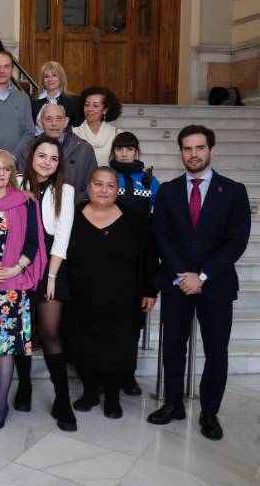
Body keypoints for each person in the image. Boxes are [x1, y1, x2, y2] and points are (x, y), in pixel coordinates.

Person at [147, 125, 251, 440]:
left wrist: (202, 275)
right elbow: (160, 236)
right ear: (181, 152)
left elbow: (236, 241)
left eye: (200, 148)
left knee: (216, 351)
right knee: (173, 347)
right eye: (188, 148)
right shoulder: (168, 191)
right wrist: (182, 274)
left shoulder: (233, 191)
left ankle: (209, 412)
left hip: (216, 284)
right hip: (176, 283)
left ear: (211, 150)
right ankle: (173, 404)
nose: (194, 154)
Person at [66, 167, 157, 419]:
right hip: (80, 297)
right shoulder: (72, 215)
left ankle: (113, 397)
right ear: (88, 186)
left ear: (118, 190)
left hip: (123, 299)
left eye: (110, 185)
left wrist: (150, 291)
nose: (104, 190)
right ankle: (90, 392)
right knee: (83, 345)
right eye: (98, 184)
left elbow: (149, 256)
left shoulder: (135, 218)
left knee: (119, 347)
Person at [0, 149, 46, 431]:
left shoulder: (26, 201)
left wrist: (17, 268)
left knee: (3, 346)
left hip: (12, 283)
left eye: (6, 168)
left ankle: (1, 404)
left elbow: (33, 242)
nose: (1, 172)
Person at [14, 135, 78, 431]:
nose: (47, 162)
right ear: (31, 156)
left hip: (51, 263)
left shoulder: (65, 189)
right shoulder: (15, 182)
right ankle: (24, 386)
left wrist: (51, 276)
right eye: (42, 156)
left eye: (54, 158)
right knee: (22, 330)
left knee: (50, 331)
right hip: (18, 262)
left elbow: (62, 238)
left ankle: (62, 399)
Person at [109, 131, 161, 396]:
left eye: (129, 149)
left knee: (132, 324)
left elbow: (158, 224)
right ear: (113, 152)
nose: (124, 153)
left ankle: (127, 374)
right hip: (108, 258)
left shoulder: (151, 182)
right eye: (120, 148)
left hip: (139, 261)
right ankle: (103, 373)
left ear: (137, 152)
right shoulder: (106, 177)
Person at [16, 104, 97, 203]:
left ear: (66, 122)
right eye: (48, 119)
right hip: (36, 206)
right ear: (40, 123)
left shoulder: (84, 149)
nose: (54, 124)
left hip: (74, 206)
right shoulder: (28, 149)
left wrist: (70, 203)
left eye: (59, 118)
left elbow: (91, 186)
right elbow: (23, 184)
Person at [73, 86, 123, 166]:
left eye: (95, 106)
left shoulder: (116, 133)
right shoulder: (73, 133)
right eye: (87, 105)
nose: (89, 109)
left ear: (105, 110)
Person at [31, 61, 81, 129]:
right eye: (46, 76)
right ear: (42, 80)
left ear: (61, 78)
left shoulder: (74, 101)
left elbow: (78, 129)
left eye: (54, 75)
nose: (50, 79)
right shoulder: (33, 100)